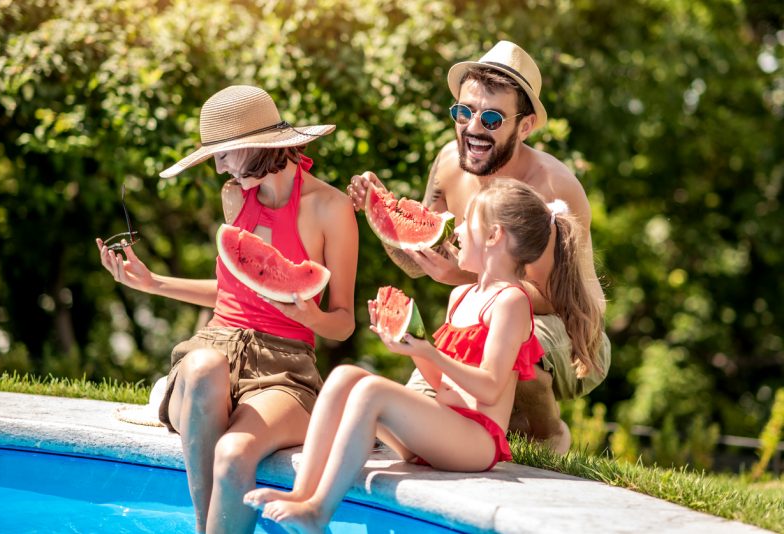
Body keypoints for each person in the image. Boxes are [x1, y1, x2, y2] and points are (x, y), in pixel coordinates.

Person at [243, 179, 602, 532]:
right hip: (441, 430)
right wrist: (407, 345)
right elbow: (441, 383)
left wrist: (430, 350)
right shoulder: (460, 296)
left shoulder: (510, 302)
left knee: (371, 392)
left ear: (494, 237)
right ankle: (302, 492)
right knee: (346, 376)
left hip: (477, 442)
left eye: (466, 222)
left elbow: (490, 389)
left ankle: (318, 511)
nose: (456, 229)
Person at [95, 85, 358, 534]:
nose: (218, 167)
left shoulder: (331, 208)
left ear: (257, 146)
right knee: (203, 366)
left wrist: (307, 316)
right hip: (212, 352)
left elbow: (344, 323)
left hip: (285, 370)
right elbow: (232, 290)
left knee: (235, 453)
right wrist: (154, 283)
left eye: (224, 154)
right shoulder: (235, 195)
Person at [346, 40, 611, 454]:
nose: (473, 128)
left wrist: (465, 278)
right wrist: (379, 214)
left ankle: (548, 436)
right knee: (410, 437)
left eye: (490, 118)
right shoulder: (449, 163)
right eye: (463, 112)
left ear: (523, 127)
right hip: (485, 314)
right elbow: (420, 262)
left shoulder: (552, 187)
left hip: (569, 332)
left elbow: (562, 300)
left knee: (514, 336)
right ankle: (496, 428)